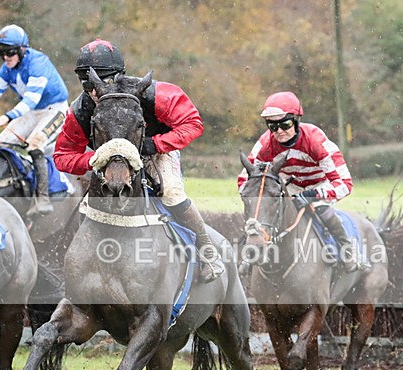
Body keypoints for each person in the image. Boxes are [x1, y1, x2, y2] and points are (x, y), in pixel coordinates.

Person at [54, 39, 225, 282]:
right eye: (87, 82)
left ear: (120, 76)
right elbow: (62, 156)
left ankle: (208, 251)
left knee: (172, 193)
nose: (95, 90)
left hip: (156, 152)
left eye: (104, 80)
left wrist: (154, 144)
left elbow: (192, 124)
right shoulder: (79, 110)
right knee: (87, 204)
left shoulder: (157, 94)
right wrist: (94, 160)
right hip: (109, 163)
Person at [238, 91, 364, 273]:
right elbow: (244, 179)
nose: (279, 131)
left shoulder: (315, 141)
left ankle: (347, 250)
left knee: (320, 207)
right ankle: (251, 252)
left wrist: (312, 194)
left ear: (296, 120)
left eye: (285, 124)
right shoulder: (265, 144)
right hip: (290, 187)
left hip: (321, 185)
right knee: (264, 208)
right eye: (272, 126)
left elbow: (344, 184)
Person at [0, 24, 69, 215]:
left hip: (54, 109)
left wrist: (6, 117)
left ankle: (42, 198)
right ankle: (19, 181)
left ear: (23, 49)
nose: (6, 57)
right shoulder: (6, 68)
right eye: (1, 52)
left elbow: (31, 99)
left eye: (10, 51)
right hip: (32, 112)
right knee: (3, 142)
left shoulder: (38, 63)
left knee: (34, 144)